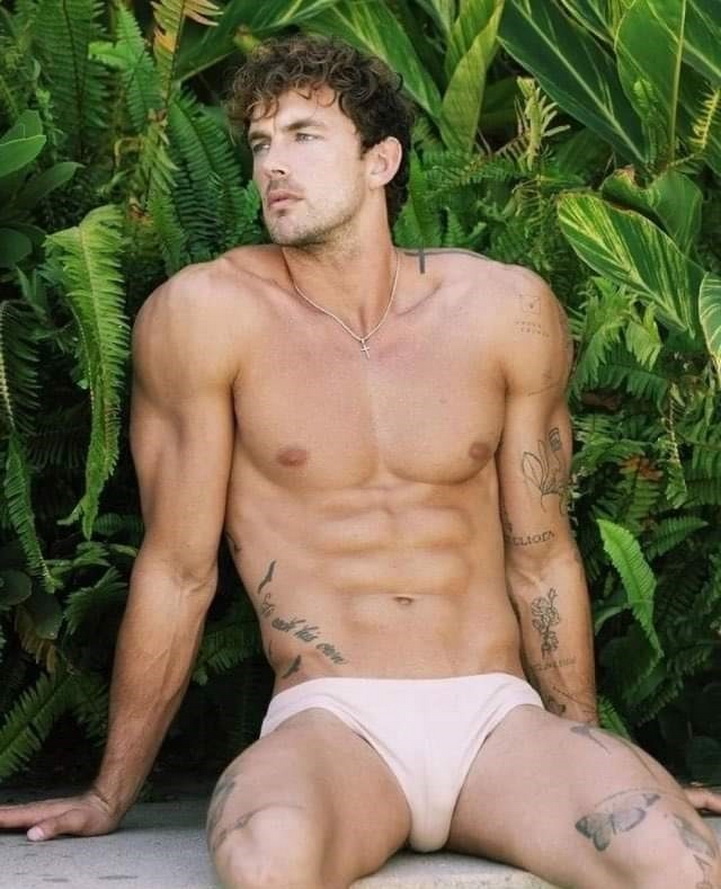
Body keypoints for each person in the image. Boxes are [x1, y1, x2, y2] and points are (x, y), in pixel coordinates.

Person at [1, 33, 720, 889]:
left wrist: (591, 755)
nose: (272, 163)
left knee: (678, 864)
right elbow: (178, 570)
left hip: (497, 717)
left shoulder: (504, 310)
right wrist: (109, 790)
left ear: (381, 161)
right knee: (269, 865)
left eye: (304, 135)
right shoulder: (205, 316)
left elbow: (541, 559)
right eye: (260, 142)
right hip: (331, 720)